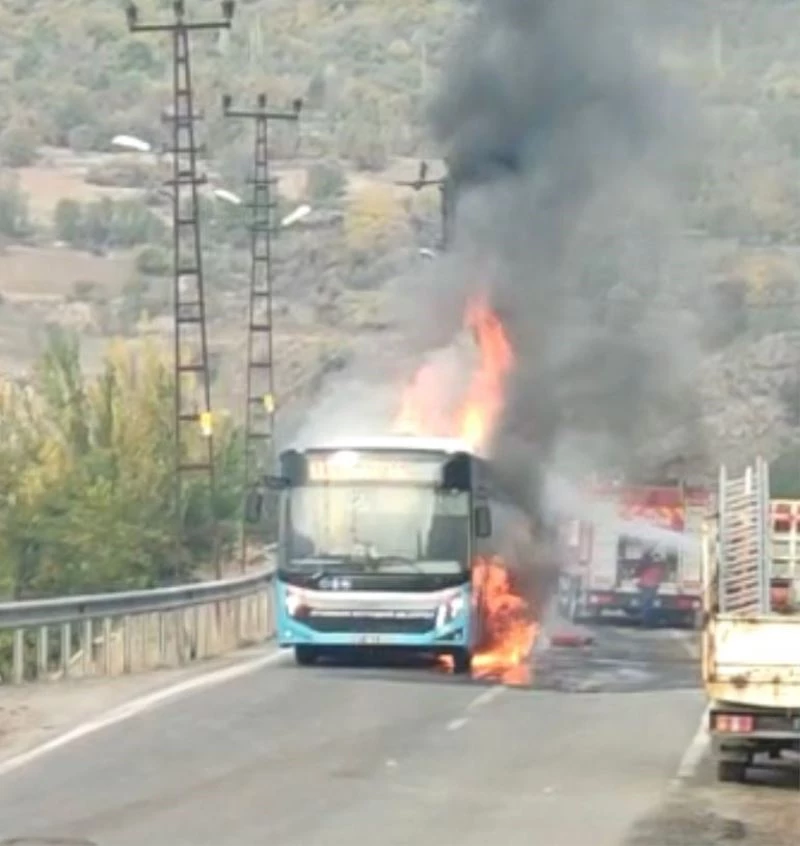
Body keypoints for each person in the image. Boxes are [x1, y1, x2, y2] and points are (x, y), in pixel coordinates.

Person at [637, 550, 665, 626]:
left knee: (646, 605)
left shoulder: (645, 568)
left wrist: (639, 584)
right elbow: (659, 578)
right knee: (649, 604)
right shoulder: (657, 569)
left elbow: (642, 577)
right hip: (652, 588)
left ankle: (646, 621)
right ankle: (648, 621)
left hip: (647, 587)